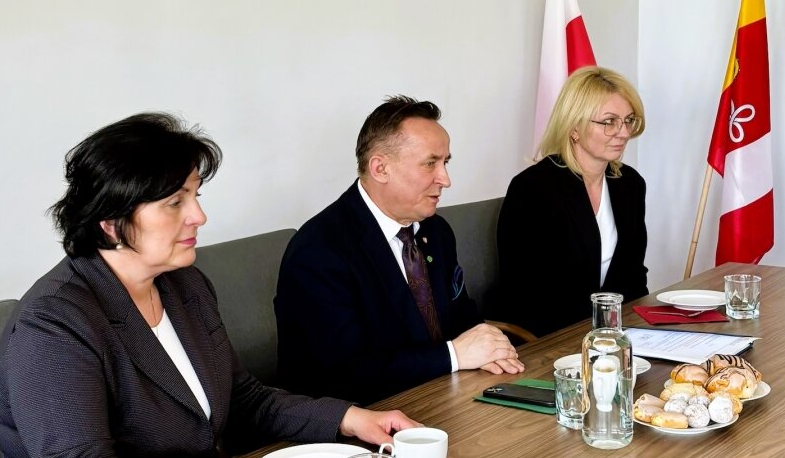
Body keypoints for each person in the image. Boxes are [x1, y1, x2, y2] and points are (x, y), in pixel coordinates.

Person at [0, 112, 417, 458]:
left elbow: (243, 399)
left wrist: (350, 419)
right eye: (175, 202)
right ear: (110, 222)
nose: (199, 216)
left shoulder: (183, 284)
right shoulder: (54, 323)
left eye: (195, 196)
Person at [275, 96, 523, 405]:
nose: (445, 179)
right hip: (360, 419)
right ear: (380, 168)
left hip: (444, 397)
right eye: (430, 163)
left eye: (445, 162)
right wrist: (453, 355)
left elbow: (462, 316)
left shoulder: (436, 231)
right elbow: (343, 374)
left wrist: (493, 349)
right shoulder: (319, 252)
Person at [497, 67, 648, 337]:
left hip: (616, 334)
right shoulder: (532, 189)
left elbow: (634, 276)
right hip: (548, 337)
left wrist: (642, 331)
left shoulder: (630, 184)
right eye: (609, 122)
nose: (623, 132)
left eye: (628, 121)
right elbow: (528, 292)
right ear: (575, 127)